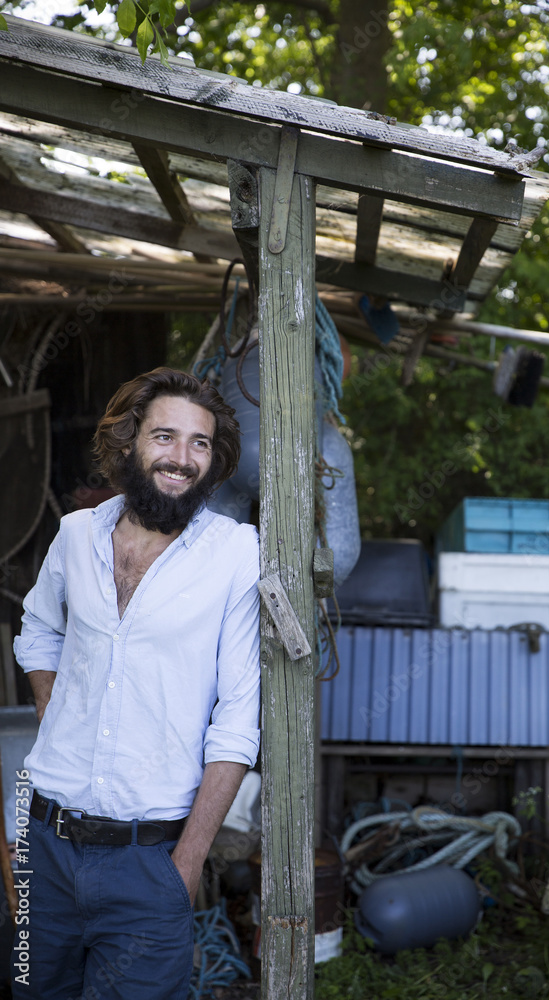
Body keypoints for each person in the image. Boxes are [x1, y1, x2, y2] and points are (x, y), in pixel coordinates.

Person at [12, 367, 261, 1000]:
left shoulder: (234, 554)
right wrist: (53, 710)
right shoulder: (75, 536)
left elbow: (236, 721)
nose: (181, 459)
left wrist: (186, 865)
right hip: (46, 845)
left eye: (199, 443)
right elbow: (38, 630)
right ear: (129, 443)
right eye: (165, 436)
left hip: (150, 860)